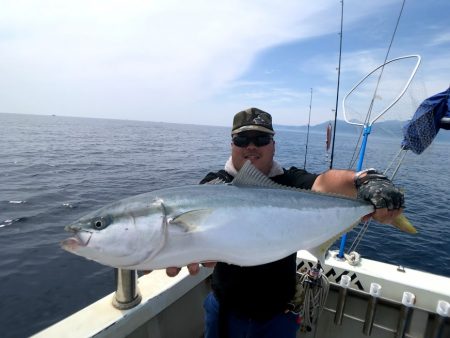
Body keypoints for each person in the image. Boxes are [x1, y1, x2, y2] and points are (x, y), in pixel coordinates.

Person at [165, 107, 404, 338]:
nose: (251, 145)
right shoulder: (217, 183)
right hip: (224, 310)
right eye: (242, 139)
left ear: (273, 145)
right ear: (231, 145)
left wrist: (366, 179)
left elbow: (324, 182)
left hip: (278, 316)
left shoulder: (289, 180)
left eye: (261, 138)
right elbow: (198, 214)